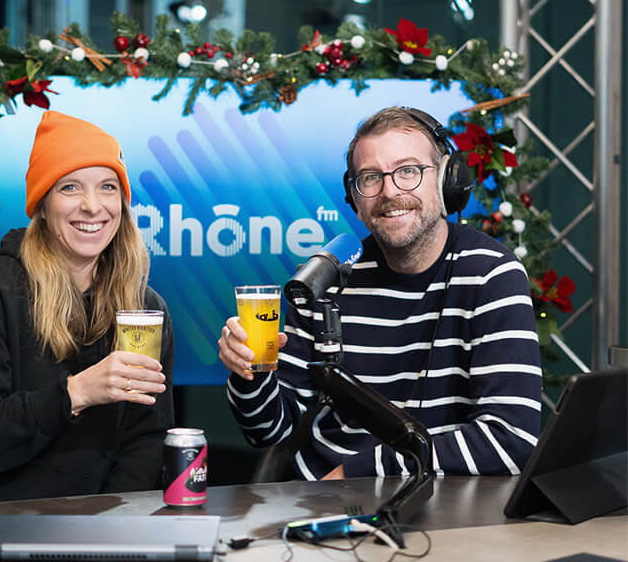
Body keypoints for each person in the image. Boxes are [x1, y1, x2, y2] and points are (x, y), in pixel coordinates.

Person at [219, 106, 541, 480]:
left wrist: (357, 473)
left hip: (442, 508)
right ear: (354, 197)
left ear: (447, 181)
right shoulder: (327, 277)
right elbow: (269, 431)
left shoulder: (491, 273)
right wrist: (251, 374)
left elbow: (511, 440)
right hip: (319, 502)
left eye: (408, 171)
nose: (390, 192)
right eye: (371, 178)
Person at [0, 110, 173, 503]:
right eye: (70, 188)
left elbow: (147, 439)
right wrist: (76, 393)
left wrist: (112, 520)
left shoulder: (146, 309)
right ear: (42, 203)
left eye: (107, 187)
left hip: (103, 529)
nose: (92, 206)